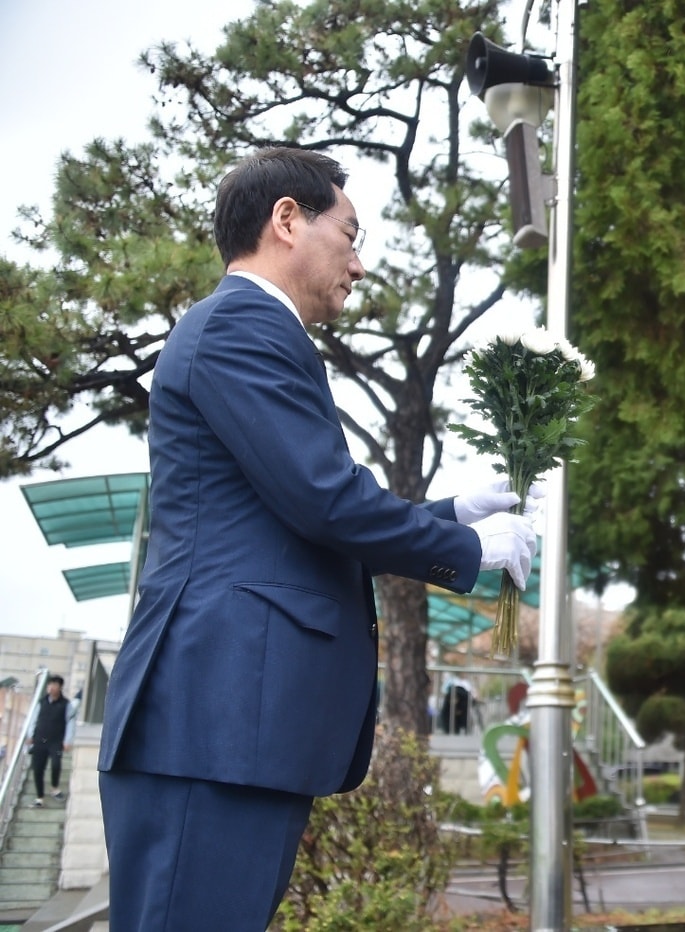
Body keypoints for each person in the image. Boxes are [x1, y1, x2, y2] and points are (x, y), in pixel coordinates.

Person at [96, 147, 539, 932]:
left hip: (228, 723)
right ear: (288, 221)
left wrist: (451, 515)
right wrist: (469, 556)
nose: (360, 265)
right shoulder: (238, 328)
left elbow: (293, 518)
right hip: (212, 719)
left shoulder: (252, 333)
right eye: (352, 234)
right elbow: (323, 503)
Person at [27, 675, 73, 807]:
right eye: (49, 685)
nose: (51, 687)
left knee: (56, 764)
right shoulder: (41, 702)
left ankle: (54, 788)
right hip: (39, 739)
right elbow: (33, 719)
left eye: (54, 685)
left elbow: (70, 723)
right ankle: (39, 797)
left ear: (60, 687)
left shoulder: (66, 704)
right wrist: (30, 735)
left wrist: (67, 740)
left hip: (56, 741)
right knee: (37, 769)